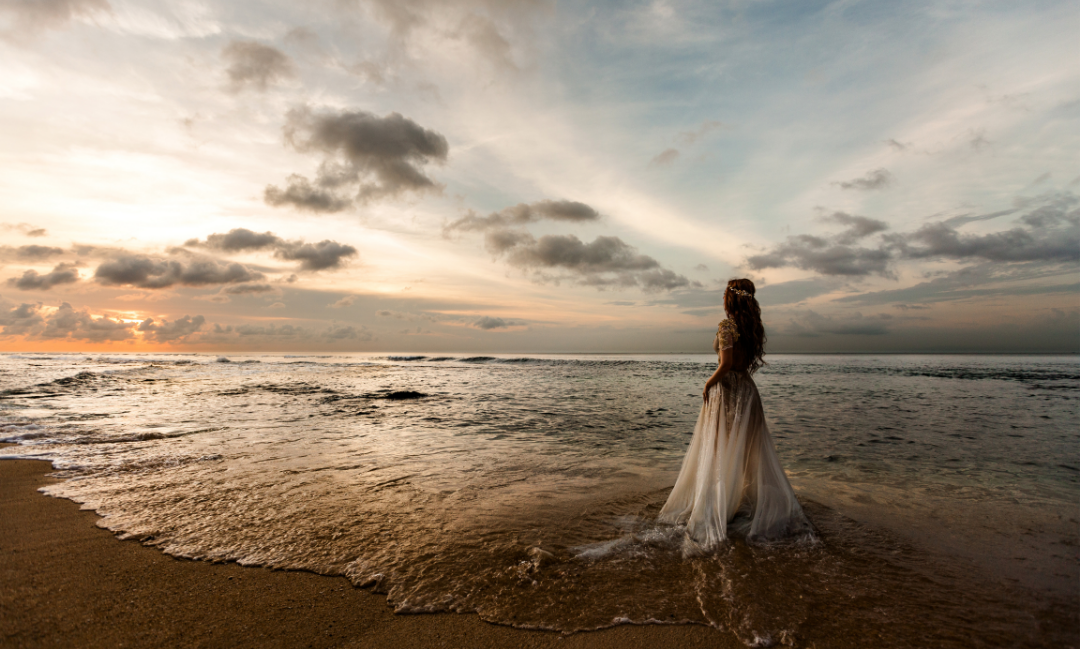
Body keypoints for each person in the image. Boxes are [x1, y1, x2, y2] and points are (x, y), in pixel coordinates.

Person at [659, 278, 811, 546]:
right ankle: (737, 503)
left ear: (731, 298)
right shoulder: (752, 327)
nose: (722, 299)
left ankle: (720, 508)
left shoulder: (727, 325)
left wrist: (709, 382)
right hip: (748, 392)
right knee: (742, 451)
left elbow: (726, 363)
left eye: (724, 294)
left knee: (721, 449)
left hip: (728, 391)